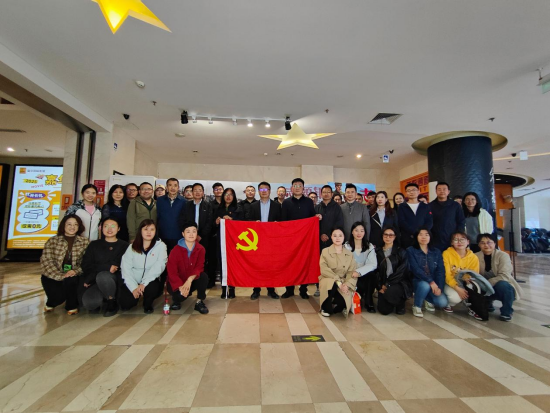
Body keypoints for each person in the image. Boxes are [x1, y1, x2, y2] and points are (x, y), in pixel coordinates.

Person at [40, 215, 90, 315]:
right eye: (69, 224)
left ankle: (71, 306)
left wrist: (75, 271)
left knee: (71, 280)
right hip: (53, 274)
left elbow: (87, 262)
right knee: (58, 298)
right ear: (63, 225)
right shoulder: (52, 241)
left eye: (76, 224)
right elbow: (46, 261)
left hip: (73, 274)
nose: (72, 227)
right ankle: (51, 302)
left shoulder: (85, 242)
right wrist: (61, 276)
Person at [81, 218, 129, 317]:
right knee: (90, 304)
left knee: (104, 276)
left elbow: (117, 265)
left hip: (117, 280)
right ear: (101, 228)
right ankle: (105, 297)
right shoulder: (94, 245)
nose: (109, 229)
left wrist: (103, 268)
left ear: (118, 228)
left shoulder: (124, 246)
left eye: (113, 226)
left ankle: (111, 301)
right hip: (96, 279)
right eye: (106, 226)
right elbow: (86, 264)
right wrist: (106, 267)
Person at [281, 178, 319, 299]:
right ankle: (289, 289)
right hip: (290, 240)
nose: (297, 188)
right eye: (295, 185)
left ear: (303, 188)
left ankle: (303, 290)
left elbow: (312, 218)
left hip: (305, 240)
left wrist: (316, 217)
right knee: (289, 264)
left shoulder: (308, 202)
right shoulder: (286, 202)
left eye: (299, 186)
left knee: (304, 263)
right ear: (291, 188)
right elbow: (283, 221)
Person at [120, 220, 167, 314]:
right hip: (133, 279)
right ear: (140, 231)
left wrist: (144, 283)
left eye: (152, 229)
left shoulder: (161, 246)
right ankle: (136, 295)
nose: (149, 232)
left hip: (150, 279)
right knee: (126, 304)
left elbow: (159, 266)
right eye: (146, 229)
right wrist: (133, 287)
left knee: (153, 288)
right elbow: (126, 268)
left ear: (156, 231)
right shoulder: (132, 247)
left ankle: (147, 303)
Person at [476, 234, 523, 322]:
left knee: (503, 285)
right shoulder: (475, 256)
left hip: (500, 284)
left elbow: (504, 275)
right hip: (483, 286)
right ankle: (487, 302)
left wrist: (487, 283)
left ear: (494, 243)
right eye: (482, 243)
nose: (486, 245)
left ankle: (506, 311)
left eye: (489, 242)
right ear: (479, 245)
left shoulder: (503, 256)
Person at [166, 222, 209, 314]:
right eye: (188, 232)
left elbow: (199, 267)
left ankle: (199, 302)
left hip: (191, 280)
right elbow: (172, 272)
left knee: (203, 276)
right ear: (183, 234)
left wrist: (189, 280)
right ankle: (176, 301)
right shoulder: (175, 251)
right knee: (180, 296)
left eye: (194, 231)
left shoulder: (201, 249)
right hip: (177, 282)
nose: (191, 234)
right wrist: (181, 287)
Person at [250, 182, 282, 300]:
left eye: (266, 189)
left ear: (270, 191)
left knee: (271, 265)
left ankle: (271, 290)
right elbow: (247, 221)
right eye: (261, 189)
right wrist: (254, 223)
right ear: (258, 191)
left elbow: (281, 222)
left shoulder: (277, 206)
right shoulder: (253, 206)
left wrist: (277, 224)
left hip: (271, 241)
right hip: (257, 241)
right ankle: (256, 290)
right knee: (257, 265)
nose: (264, 191)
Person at [408, 229, 448, 318]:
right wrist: (431, 281)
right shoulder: (411, 250)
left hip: (433, 283)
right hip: (416, 280)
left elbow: (440, 271)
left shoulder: (436, 252)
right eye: (420, 234)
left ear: (430, 237)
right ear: (416, 237)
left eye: (426, 235)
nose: (423, 237)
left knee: (442, 302)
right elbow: (415, 269)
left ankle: (426, 298)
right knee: (424, 285)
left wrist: (440, 287)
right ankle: (417, 306)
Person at [319, 228, 358, 318]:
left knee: (342, 304)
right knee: (331, 284)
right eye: (335, 235)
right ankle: (325, 308)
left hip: (343, 282)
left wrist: (347, 285)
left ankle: (335, 302)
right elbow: (324, 269)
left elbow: (351, 272)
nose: (337, 238)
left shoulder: (349, 254)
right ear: (331, 237)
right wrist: (338, 282)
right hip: (328, 279)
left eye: (340, 236)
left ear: (344, 237)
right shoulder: (325, 251)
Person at [442, 231, 482, 319]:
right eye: (456, 240)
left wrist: (466, 282)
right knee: (455, 298)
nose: (459, 242)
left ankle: (471, 306)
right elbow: (447, 275)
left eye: (462, 239)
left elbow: (474, 274)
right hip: (450, 283)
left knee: (474, 289)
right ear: (452, 243)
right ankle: (449, 303)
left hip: (465, 282)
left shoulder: (473, 257)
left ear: (468, 242)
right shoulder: (446, 254)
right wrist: (457, 288)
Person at [316, 185, 345, 297]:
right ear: (321, 194)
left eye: (328, 192)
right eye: (324, 192)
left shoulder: (337, 208)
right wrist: (321, 234)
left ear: (332, 194)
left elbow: (339, 223)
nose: (326, 194)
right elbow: (313, 224)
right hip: (319, 241)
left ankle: (333, 287)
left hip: (332, 241)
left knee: (332, 265)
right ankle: (319, 287)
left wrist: (329, 235)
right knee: (320, 264)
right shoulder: (317, 207)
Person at [215, 188, 244, 299]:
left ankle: (232, 289)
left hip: (233, 242)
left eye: (231, 194)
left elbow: (242, 224)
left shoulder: (238, 208)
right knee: (222, 263)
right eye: (226, 194)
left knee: (232, 264)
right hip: (221, 241)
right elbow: (212, 225)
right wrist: (217, 222)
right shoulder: (218, 208)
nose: (228, 196)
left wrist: (232, 220)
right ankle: (224, 289)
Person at [376, 227, 410, 315]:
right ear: (382, 236)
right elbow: (376, 271)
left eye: (391, 235)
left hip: (398, 282)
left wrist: (388, 284)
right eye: (386, 235)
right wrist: (380, 286)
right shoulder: (377, 252)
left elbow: (401, 272)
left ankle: (400, 303)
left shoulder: (401, 251)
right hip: (384, 283)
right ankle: (391, 301)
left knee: (390, 292)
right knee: (384, 311)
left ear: (395, 237)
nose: (388, 237)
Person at [344, 222, 377, 312]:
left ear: (365, 232)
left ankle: (369, 302)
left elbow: (373, 264)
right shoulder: (346, 246)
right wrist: (353, 272)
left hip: (364, 275)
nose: (359, 233)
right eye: (356, 230)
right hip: (351, 275)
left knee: (372, 275)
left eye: (362, 231)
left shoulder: (369, 246)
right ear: (352, 232)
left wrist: (359, 272)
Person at [430, 182, 466, 252]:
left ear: (448, 191)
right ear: (436, 191)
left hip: (452, 239)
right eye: (439, 189)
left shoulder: (455, 205)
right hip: (435, 240)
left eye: (444, 189)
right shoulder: (430, 206)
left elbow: (461, 221)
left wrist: (458, 236)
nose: (442, 191)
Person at [398, 183, 433, 249]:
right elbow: (402, 222)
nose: (411, 192)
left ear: (418, 191)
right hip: (408, 238)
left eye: (414, 190)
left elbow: (429, 221)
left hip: (423, 238)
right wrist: (415, 232)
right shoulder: (402, 207)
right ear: (406, 193)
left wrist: (422, 233)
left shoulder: (425, 206)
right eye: (409, 190)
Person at [157, 178, 187, 254]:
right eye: (170, 185)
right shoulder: (160, 201)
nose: (172, 188)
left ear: (178, 187)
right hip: (162, 235)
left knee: (176, 257)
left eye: (175, 185)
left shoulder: (184, 201)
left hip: (178, 236)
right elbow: (157, 217)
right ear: (166, 187)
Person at [179, 183, 213, 250]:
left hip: (203, 237)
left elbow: (209, 222)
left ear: (203, 192)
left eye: (200, 190)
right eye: (195, 190)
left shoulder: (208, 205)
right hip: (189, 236)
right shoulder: (186, 205)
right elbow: (182, 220)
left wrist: (200, 235)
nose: (197, 192)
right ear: (192, 192)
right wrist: (188, 233)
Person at [207, 182, 225, 288]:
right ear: (213, 191)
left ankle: (224, 281)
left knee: (224, 259)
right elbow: (208, 220)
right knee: (212, 259)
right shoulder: (209, 204)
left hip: (226, 236)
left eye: (220, 189)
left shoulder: (227, 204)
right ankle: (211, 280)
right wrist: (215, 222)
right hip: (213, 235)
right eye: (216, 189)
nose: (218, 191)